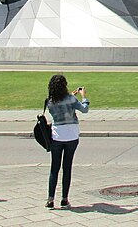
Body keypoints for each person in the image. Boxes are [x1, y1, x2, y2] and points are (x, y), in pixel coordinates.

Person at [45, 74, 89, 209]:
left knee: (54, 168)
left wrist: (72, 95)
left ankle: (50, 199)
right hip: (71, 135)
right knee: (67, 167)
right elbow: (84, 109)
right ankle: (64, 198)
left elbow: (60, 104)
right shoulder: (71, 99)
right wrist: (83, 96)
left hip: (57, 135)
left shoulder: (49, 101)